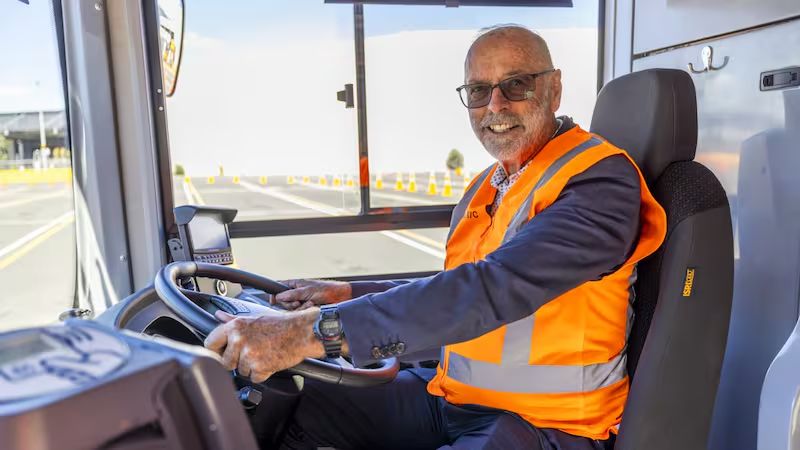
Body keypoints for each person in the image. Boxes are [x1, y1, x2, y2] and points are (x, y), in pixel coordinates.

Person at [204, 25, 667, 449]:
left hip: (545, 427)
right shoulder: (491, 183)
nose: (496, 106)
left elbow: (490, 288)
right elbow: (452, 285)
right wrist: (344, 294)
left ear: (555, 87)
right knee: (285, 400)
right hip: (452, 400)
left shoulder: (601, 183)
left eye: (516, 85)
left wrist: (313, 331)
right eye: (480, 91)